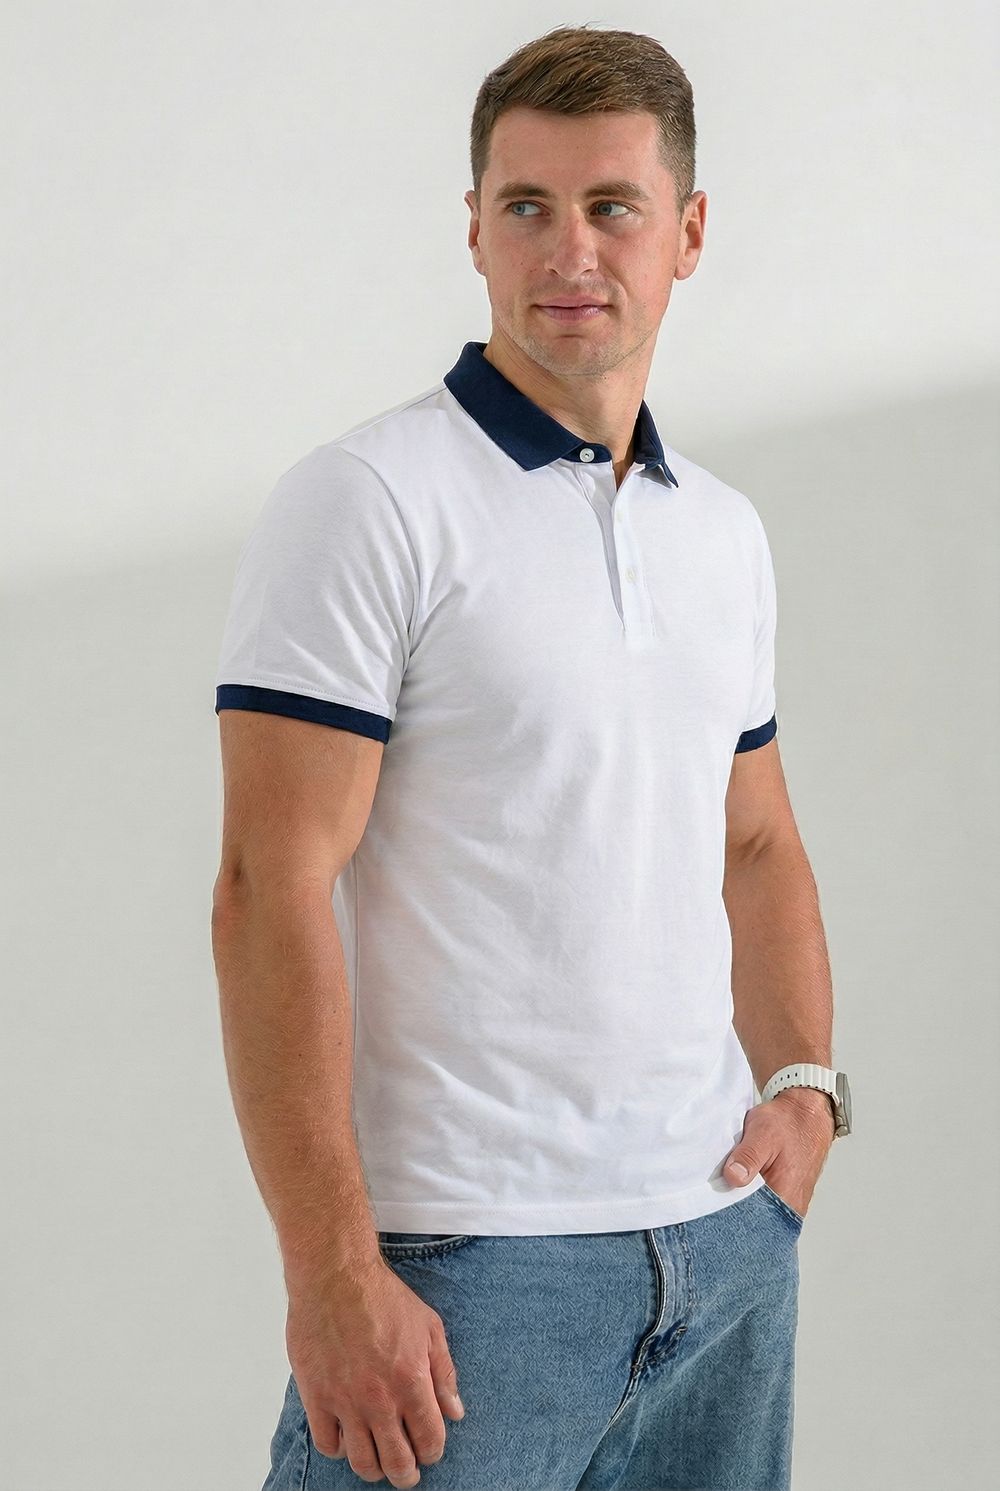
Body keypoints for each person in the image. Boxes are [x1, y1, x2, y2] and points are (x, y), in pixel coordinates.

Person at [211, 23, 849, 1491]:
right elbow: (266, 885)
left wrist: (807, 1086)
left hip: (721, 1248)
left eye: (613, 206)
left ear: (688, 233)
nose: (570, 251)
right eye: (527, 206)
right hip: (466, 1272)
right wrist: (332, 1275)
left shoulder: (722, 533)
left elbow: (754, 838)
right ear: (475, 228)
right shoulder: (369, 501)